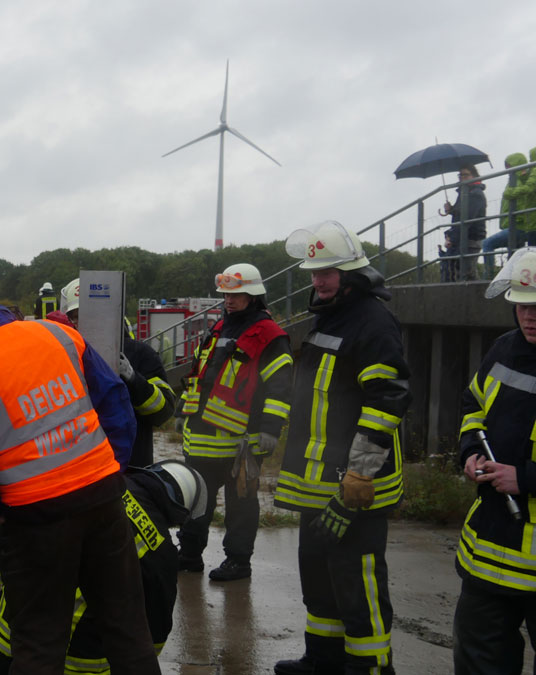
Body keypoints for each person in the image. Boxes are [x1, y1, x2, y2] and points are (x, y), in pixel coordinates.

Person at [0, 276, 160, 675]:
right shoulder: (57, 334)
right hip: (104, 498)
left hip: (35, 519)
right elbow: (115, 402)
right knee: (127, 628)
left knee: (38, 641)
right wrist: (111, 468)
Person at [272, 221, 411, 675]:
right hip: (317, 483)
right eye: (314, 273)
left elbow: (386, 403)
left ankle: (370, 668)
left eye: (328, 272)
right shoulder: (330, 317)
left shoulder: (372, 322)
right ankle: (324, 660)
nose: (318, 280)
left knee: (359, 583)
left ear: (350, 273)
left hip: (354, 487)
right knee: (319, 577)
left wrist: (357, 479)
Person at [0, 460, 207, 675]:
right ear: (179, 512)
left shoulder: (101, 480)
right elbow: (153, 637)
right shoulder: (162, 554)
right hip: (73, 655)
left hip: (15, 617)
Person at [175, 263, 293, 582]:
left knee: (241, 505)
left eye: (237, 294)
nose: (229, 300)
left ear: (254, 296)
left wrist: (270, 429)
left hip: (241, 443)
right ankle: (189, 555)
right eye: (226, 294)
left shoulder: (270, 336)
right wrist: (182, 411)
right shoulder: (220, 328)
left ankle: (238, 562)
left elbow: (280, 387)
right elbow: (201, 375)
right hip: (201, 439)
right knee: (196, 499)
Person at [453, 247, 536, 674]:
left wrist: (527, 478)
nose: (529, 315)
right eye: (522, 304)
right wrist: (470, 452)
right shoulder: (504, 349)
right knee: (478, 659)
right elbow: (473, 405)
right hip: (490, 549)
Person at [61, 277, 177, 469]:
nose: (80, 322)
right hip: (84, 470)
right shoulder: (66, 355)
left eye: (86, 315)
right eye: (74, 316)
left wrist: (132, 379)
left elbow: (163, 412)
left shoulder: (140, 354)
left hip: (132, 469)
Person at [482, 152, 531, 275]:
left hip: (517, 227)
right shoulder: (514, 182)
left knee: (487, 243)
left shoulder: (519, 182)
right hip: (516, 226)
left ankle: (489, 275)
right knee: (513, 257)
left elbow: (523, 204)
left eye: (509, 166)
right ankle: (511, 278)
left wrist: (519, 220)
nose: (507, 170)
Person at [441, 164, 488, 280]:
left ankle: (478, 296)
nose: (462, 177)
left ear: (474, 176)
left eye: (465, 175)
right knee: (462, 273)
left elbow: (468, 219)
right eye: (460, 175)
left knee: (466, 274)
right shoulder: (465, 192)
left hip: (471, 238)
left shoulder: (475, 194)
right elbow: (462, 215)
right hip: (463, 237)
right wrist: (451, 210)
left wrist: (451, 238)